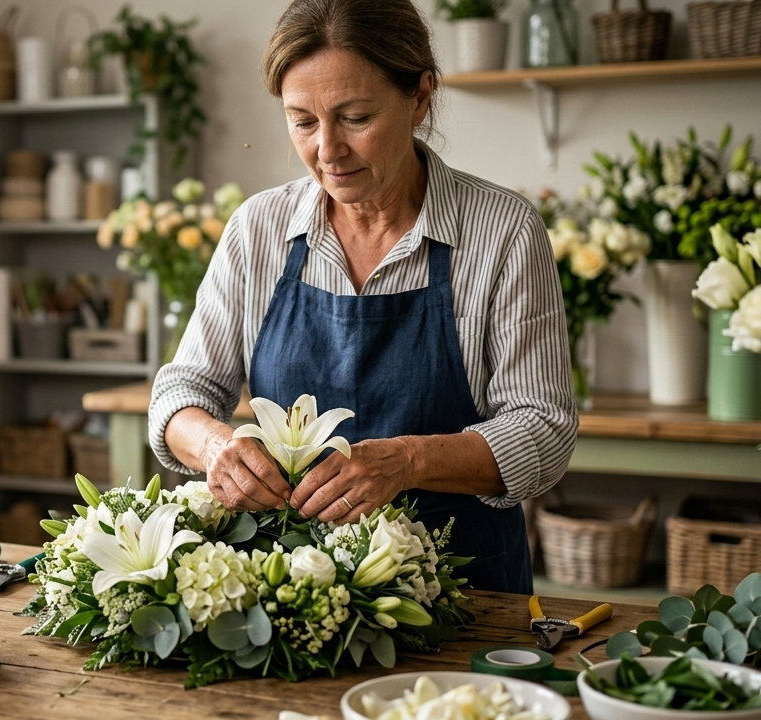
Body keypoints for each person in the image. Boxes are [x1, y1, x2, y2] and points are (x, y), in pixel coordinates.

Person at [149, 0, 577, 594]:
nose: (328, 150)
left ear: (420, 97)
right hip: (291, 600)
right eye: (302, 121)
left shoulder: (502, 230)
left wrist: (406, 461)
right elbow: (181, 393)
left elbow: (545, 428)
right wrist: (218, 446)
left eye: (354, 117)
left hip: (464, 592)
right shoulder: (259, 230)